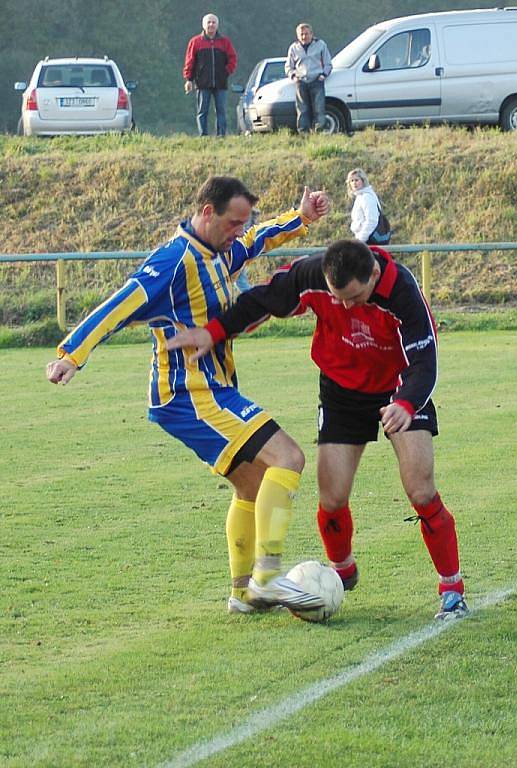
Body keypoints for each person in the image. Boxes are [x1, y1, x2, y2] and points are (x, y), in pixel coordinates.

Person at [46, 176, 331, 615]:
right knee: (289, 458)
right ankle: (269, 578)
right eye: (233, 222)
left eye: (242, 222)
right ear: (206, 214)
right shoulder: (172, 262)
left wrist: (301, 219)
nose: (239, 229)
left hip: (211, 389)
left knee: (253, 485)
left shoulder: (218, 251)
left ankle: (245, 594)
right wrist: (71, 355)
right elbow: (117, 306)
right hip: (190, 394)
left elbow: (256, 241)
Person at [166, 239, 469, 620]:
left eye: (354, 297)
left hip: (399, 389)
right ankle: (341, 572)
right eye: (337, 297)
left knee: (421, 490)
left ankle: (452, 590)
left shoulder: (403, 292)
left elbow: (426, 361)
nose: (344, 306)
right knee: (331, 500)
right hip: (342, 390)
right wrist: (214, 331)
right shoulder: (312, 273)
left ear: (373, 274)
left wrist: (406, 403)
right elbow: (264, 299)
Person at [183, 13, 237, 136]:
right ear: (204, 25)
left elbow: (233, 59)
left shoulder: (225, 42)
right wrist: (189, 79)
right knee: (202, 111)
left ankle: (221, 135)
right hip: (202, 83)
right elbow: (189, 61)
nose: (211, 25)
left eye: (213, 22)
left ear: (217, 25)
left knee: (221, 111)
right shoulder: (195, 42)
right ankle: (203, 136)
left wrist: (226, 72)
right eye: (209, 22)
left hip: (220, 83)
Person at [285, 23, 332, 133]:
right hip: (301, 81)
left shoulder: (320, 45)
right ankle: (303, 132)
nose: (304, 37)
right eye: (301, 34)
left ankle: (320, 131)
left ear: (311, 34)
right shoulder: (293, 48)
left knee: (319, 108)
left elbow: (328, 63)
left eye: (306, 34)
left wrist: (323, 75)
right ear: (297, 36)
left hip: (317, 80)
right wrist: (293, 76)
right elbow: (288, 66)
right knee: (302, 109)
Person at [346, 168, 391, 245]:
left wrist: (360, 240)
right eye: (351, 181)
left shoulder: (367, 197)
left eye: (357, 180)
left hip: (368, 241)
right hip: (365, 239)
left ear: (363, 181)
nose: (354, 183)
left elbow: (371, 221)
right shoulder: (360, 197)